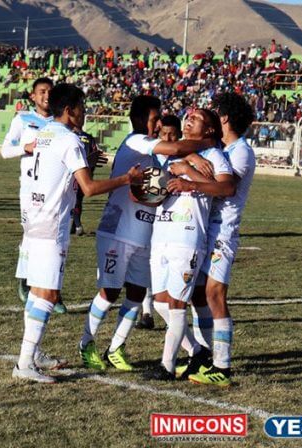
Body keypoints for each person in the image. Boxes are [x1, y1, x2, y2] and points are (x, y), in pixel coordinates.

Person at [12, 83, 143, 384]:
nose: (85, 113)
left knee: (36, 291)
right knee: (48, 293)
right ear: (70, 110)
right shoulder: (69, 140)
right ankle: (24, 363)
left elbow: (62, 175)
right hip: (51, 224)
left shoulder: (43, 134)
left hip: (33, 220)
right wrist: (127, 178)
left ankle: (32, 354)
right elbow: (89, 189)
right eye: (82, 107)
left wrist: (84, 164)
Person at [78, 97, 216, 373]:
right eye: (155, 119)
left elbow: (175, 156)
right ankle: (86, 343)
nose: (158, 124)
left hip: (144, 234)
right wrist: (204, 145)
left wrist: (192, 157)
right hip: (117, 231)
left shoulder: (154, 152)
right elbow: (176, 147)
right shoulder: (136, 140)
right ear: (141, 119)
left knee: (138, 292)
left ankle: (116, 347)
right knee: (109, 291)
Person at [149, 108, 235, 380]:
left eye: (196, 118)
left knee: (176, 304)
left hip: (187, 237)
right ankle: (197, 350)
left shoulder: (215, 156)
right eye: (188, 115)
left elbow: (225, 188)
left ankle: (166, 366)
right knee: (160, 303)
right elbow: (158, 185)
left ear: (209, 130)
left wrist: (188, 173)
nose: (189, 118)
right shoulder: (173, 153)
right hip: (161, 234)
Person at [185, 93, 256, 387]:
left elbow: (225, 188)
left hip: (223, 232)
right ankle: (203, 356)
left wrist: (189, 170)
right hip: (205, 229)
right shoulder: (221, 147)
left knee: (215, 294)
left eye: (216, 112)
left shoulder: (241, 151)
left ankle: (223, 366)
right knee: (198, 294)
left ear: (224, 118)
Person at [1, 77, 68, 312]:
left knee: (57, 239)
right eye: (41, 91)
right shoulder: (23, 119)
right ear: (32, 96)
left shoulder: (61, 123)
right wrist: (25, 148)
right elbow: (5, 150)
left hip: (57, 190)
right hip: (30, 189)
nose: (46, 96)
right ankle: (27, 281)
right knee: (32, 236)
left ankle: (53, 290)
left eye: (50, 91)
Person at [136, 114, 182, 331]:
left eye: (172, 134)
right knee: (147, 263)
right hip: (149, 217)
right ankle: (146, 311)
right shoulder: (151, 156)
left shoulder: (183, 158)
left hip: (173, 223)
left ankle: (172, 309)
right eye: (164, 134)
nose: (168, 137)